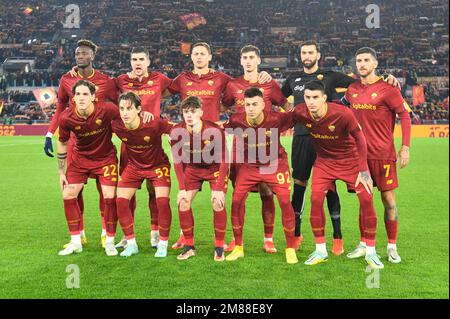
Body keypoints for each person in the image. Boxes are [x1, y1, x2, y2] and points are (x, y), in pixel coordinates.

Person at [282, 40, 400, 255]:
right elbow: (279, 100)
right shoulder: (292, 79)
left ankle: (337, 238)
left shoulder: (332, 76)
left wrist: (387, 78)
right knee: (299, 185)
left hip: (331, 138)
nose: (306, 55)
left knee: (331, 189)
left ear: (318, 54)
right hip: (302, 137)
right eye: (303, 53)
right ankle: (296, 235)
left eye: (310, 52)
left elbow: (362, 83)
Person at [167, 42, 273, 250]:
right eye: (195, 54)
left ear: (210, 57)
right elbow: (160, 92)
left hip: (215, 142)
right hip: (190, 144)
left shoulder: (222, 79)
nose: (198, 57)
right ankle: (183, 235)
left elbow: (240, 88)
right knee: (185, 196)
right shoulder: (182, 79)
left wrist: (263, 75)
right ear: (191, 57)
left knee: (229, 190)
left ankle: (229, 238)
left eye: (202, 54)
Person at [292, 80, 384, 269]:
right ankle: (320, 251)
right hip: (324, 162)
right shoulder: (301, 112)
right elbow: (281, 120)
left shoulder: (342, 114)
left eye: (315, 97)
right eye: (307, 97)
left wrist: (363, 169)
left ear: (324, 98)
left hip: (350, 160)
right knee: (315, 199)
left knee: (367, 199)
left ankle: (371, 252)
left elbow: (360, 138)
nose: (311, 102)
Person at [45, 39, 119, 248]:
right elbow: (60, 109)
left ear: (93, 56)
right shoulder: (66, 79)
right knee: (72, 189)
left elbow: (116, 108)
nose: (80, 56)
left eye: (85, 53)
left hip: (100, 141)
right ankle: (80, 234)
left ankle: (107, 234)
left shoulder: (106, 81)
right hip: (75, 144)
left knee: (104, 191)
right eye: (78, 53)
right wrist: (50, 133)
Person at [222, 45, 292, 254]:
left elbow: (285, 106)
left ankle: (268, 239)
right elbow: (225, 106)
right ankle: (237, 240)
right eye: (245, 57)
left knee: (266, 191)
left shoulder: (269, 83)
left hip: (267, 147)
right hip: (241, 147)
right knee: (238, 194)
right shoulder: (233, 85)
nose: (248, 61)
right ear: (241, 61)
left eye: (252, 57)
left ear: (258, 60)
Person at [343, 47, 411, 263]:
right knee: (364, 201)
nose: (361, 64)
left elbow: (405, 116)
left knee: (388, 199)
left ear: (375, 64)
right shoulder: (351, 90)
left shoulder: (388, 88)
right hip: (358, 157)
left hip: (383, 155)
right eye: (358, 60)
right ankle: (364, 244)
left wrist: (405, 147)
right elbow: (339, 109)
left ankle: (392, 246)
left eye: (366, 60)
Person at [56, 80, 119, 256]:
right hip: (80, 160)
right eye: (78, 94)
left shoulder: (107, 109)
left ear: (93, 97)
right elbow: (62, 143)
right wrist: (61, 171)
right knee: (68, 194)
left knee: (109, 196)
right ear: (73, 98)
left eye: (85, 94)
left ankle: (109, 240)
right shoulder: (66, 117)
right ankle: (76, 241)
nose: (81, 98)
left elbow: (125, 117)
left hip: (105, 159)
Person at [112, 92, 173, 258]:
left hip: (157, 165)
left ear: (139, 109)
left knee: (162, 201)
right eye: (122, 109)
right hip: (134, 166)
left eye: (129, 109)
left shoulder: (153, 123)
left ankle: (163, 244)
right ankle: (131, 244)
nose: (125, 113)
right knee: (121, 201)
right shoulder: (117, 125)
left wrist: (173, 138)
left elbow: (175, 129)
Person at [170, 96, 229, 261]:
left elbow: (225, 159)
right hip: (193, 169)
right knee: (183, 202)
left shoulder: (214, 130)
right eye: (186, 111)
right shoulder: (176, 131)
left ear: (201, 112)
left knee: (217, 202)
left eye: (193, 111)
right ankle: (189, 247)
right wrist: (181, 188)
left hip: (214, 169)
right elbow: (177, 162)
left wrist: (219, 190)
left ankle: (219, 247)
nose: (189, 115)